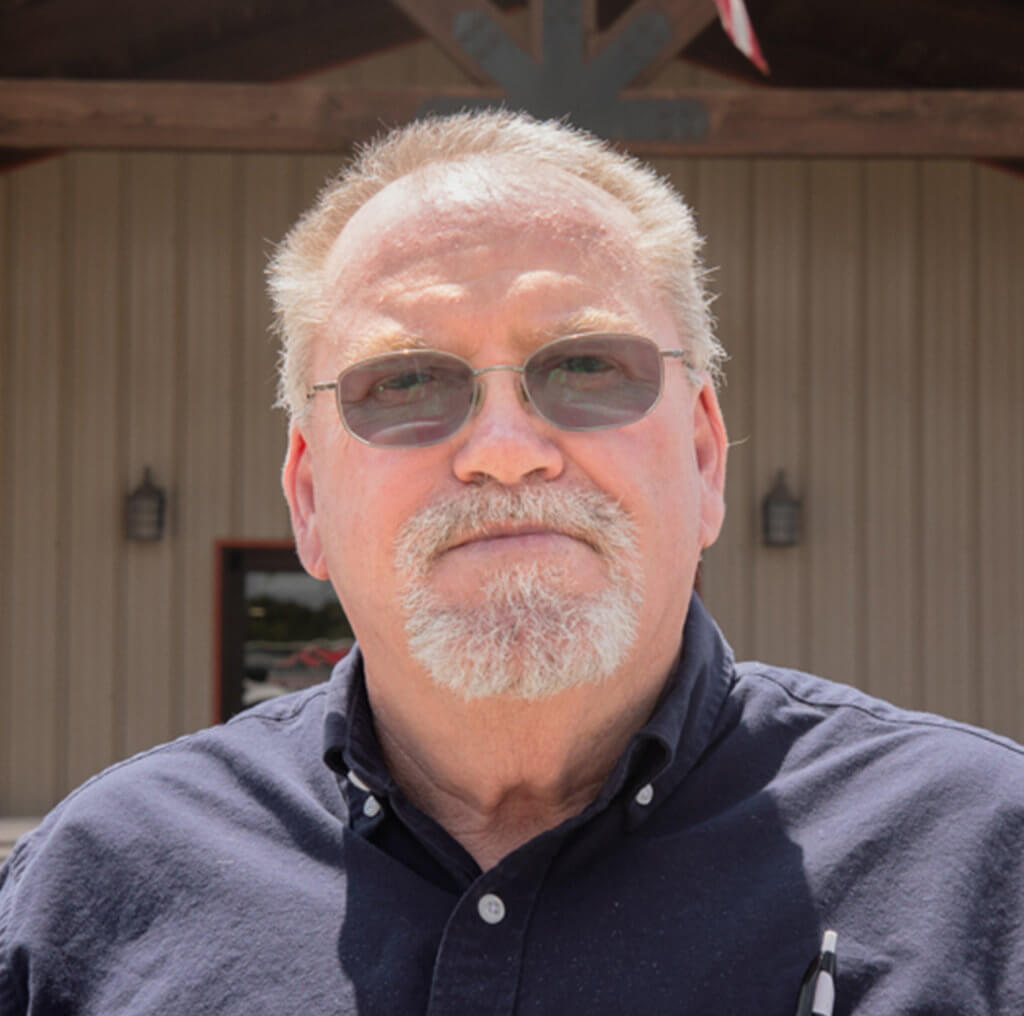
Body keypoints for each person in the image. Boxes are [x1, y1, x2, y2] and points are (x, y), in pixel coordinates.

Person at [1, 110, 1022, 1016]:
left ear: (705, 458)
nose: (503, 447)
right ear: (308, 496)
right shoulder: (94, 888)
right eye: (404, 380)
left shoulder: (982, 858)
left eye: (584, 364)